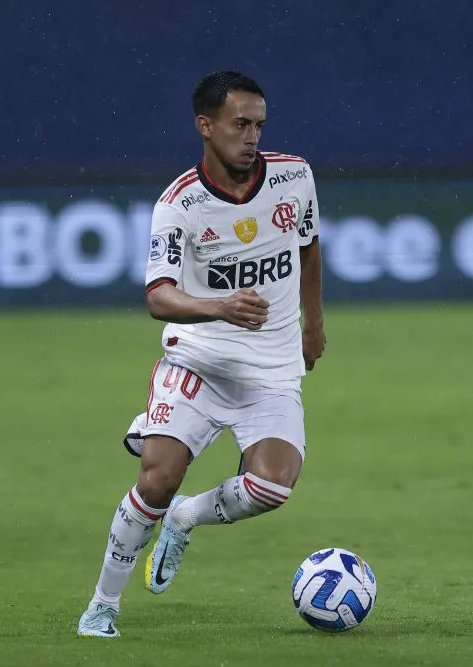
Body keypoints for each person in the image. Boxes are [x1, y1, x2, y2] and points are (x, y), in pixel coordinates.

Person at [77, 70, 326, 638]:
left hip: (271, 371)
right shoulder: (179, 205)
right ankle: (102, 607)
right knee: (157, 479)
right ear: (205, 125)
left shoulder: (295, 177)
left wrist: (313, 324)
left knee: (272, 487)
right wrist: (220, 307)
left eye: (259, 125)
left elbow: (308, 248)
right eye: (240, 124)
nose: (252, 137)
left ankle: (185, 517)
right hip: (199, 362)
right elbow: (158, 297)